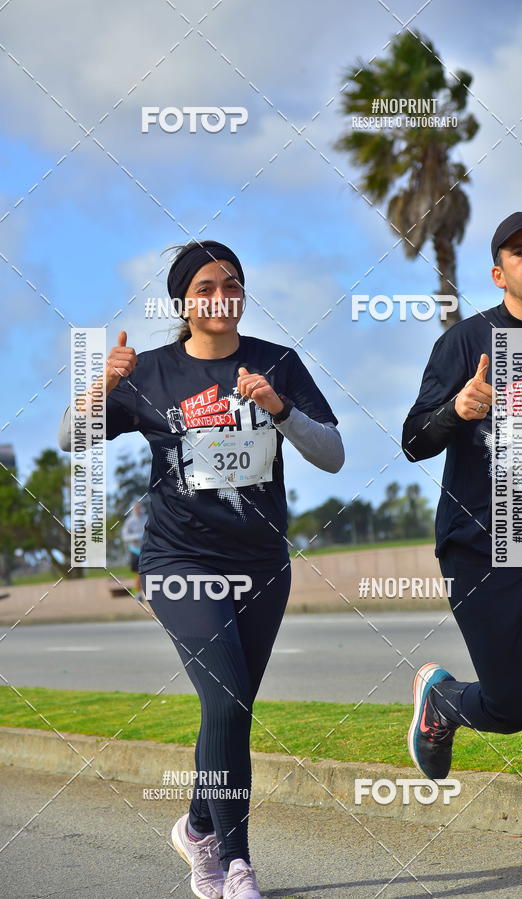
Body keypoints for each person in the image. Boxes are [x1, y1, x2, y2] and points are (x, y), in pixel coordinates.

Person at [58, 239, 344, 898]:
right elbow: (71, 439)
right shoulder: (150, 372)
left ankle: (196, 827)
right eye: (207, 286)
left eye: (233, 283)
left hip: (262, 562)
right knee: (226, 698)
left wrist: (280, 407)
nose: (222, 295)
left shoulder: (277, 363)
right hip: (178, 558)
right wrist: (104, 381)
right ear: (184, 301)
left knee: (231, 710)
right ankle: (238, 862)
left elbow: (332, 454)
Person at [402, 212, 522, 876]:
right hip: (480, 544)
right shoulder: (467, 341)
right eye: (521, 251)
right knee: (516, 706)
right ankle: (444, 700)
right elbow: (412, 439)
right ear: (500, 272)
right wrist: (458, 409)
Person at [121, 501, 147, 600]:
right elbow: (125, 537)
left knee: (148, 571)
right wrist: (137, 536)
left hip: (146, 549)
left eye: (139, 507)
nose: (137, 509)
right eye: (135, 508)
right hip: (135, 550)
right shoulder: (130, 521)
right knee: (138, 573)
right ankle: (139, 593)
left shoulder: (146, 518)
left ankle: (149, 592)